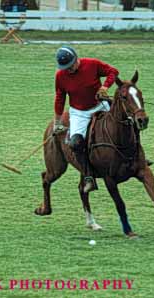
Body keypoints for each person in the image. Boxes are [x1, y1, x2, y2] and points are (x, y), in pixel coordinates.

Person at [53, 46, 119, 193]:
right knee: (75, 143)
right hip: (79, 113)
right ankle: (89, 176)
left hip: (100, 105)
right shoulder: (60, 76)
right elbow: (60, 98)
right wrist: (57, 123)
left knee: (126, 122)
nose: (69, 70)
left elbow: (113, 72)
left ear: (77, 59)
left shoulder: (92, 64)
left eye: (71, 66)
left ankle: (136, 158)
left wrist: (105, 87)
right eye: (66, 68)